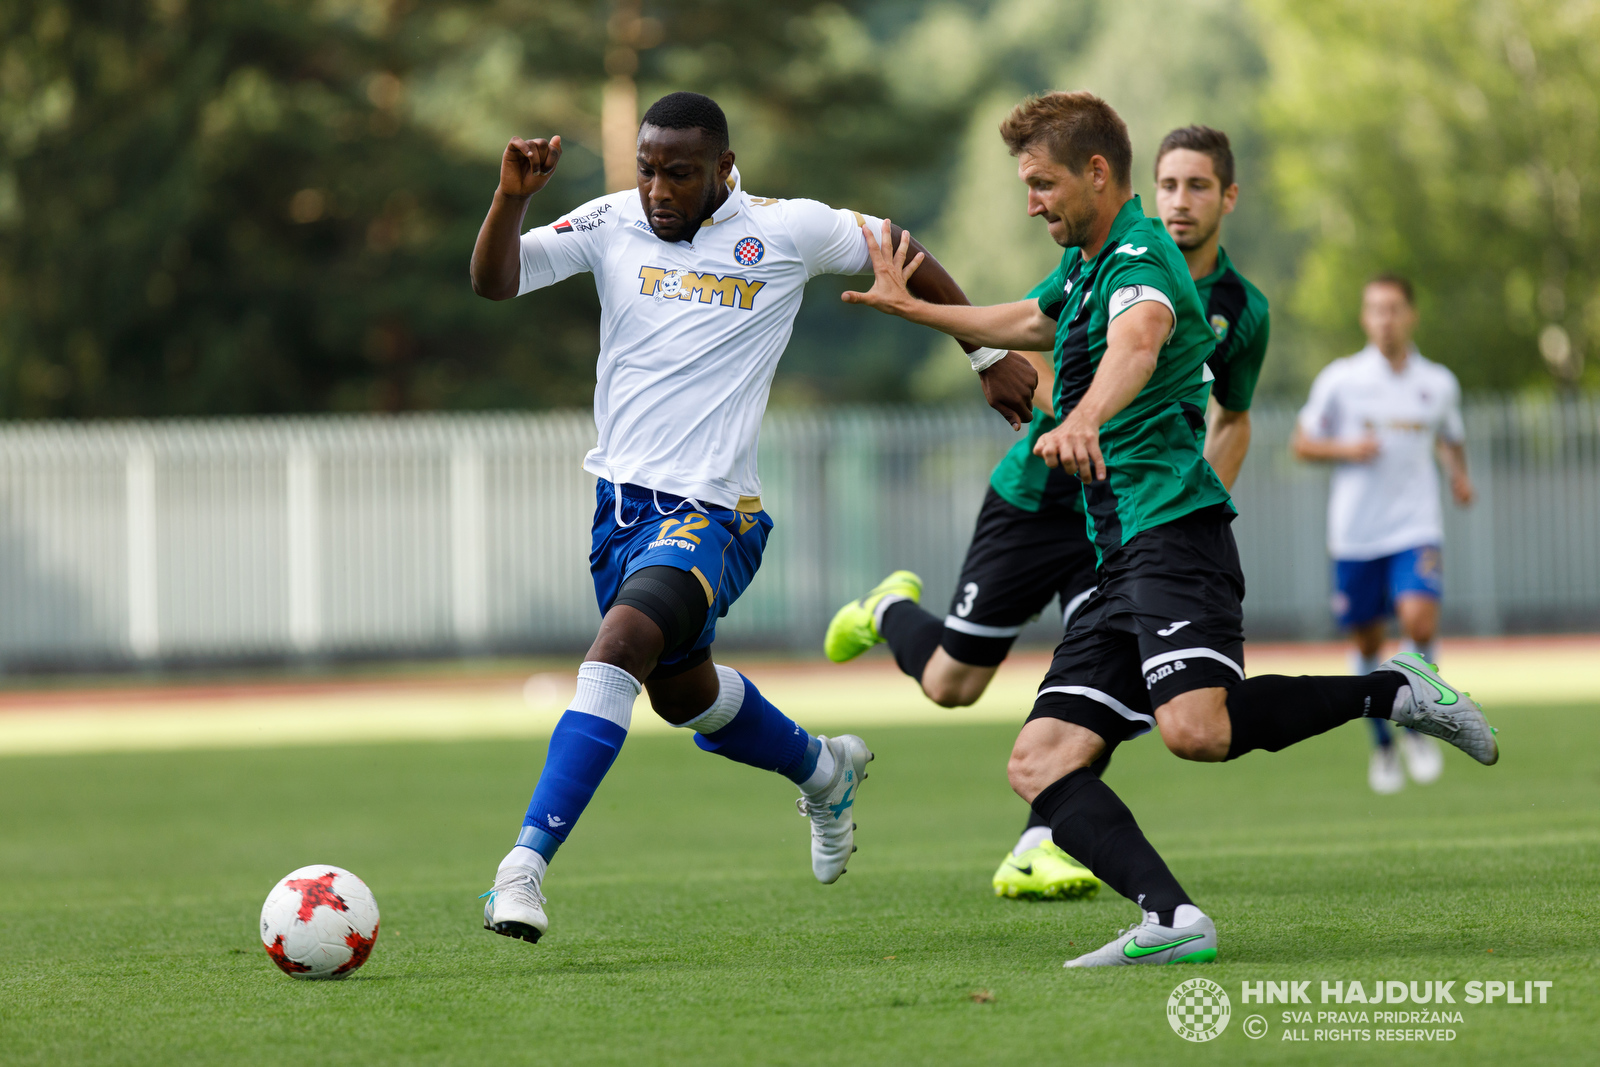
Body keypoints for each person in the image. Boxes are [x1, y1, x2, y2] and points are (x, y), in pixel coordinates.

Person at [842, 90, 1497, 967]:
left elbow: (1139, 341)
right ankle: (1172, 919)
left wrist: (1085, 417)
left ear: (1097, 174)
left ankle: (1396, 690)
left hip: (1170, 537)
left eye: (1042, 184)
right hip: (1117, 552)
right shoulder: (1088, 261)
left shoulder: (1143, 260)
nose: (1031, 202)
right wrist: (924, 313)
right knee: (1039, 761)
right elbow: (1032, 321)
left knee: (1197, 730)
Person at [467, 92, 1038, 945]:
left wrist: (987, 353)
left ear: (725, 170)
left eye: (680, 172)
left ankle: (524, 866)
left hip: (714, 515)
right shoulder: (610, 220)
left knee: (618, 647)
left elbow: (897, 247)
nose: (658, 188)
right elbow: (494, 281)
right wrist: (512, 196)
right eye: (648, 168)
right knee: (681, 694)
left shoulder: (787, 229)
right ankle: (823, 768)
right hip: (618, 513)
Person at [822, 123, 1271, 904]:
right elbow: (1047, 330)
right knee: (952, 681)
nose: (1180, 201)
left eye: (1198, 186)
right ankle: (891, 609)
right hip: (1040, 497)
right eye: (1168, 184)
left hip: (1130, 513)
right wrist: (937, 325)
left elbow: (1230, 419)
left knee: (1108, 675)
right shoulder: (1104, 256)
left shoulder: (1242, 310)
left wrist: (1187, 519)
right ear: (1141, 186)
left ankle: (1043, 838)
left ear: (1228, 197)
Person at [1292, 275, 1476, 794]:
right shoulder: (1341, 380)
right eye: (1375, 309)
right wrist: (1346, 449)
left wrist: (1458, 475)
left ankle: (1419, 720)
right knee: (1369, 643)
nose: (1385, 319)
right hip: (1355, 535)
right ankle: (1382, 743)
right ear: (1364, 318)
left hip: (1416, 527)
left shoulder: (1437, 382)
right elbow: (1302, 443)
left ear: (1411, 315)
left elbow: (1451, 437)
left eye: (1394, 309)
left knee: (1418, 618)